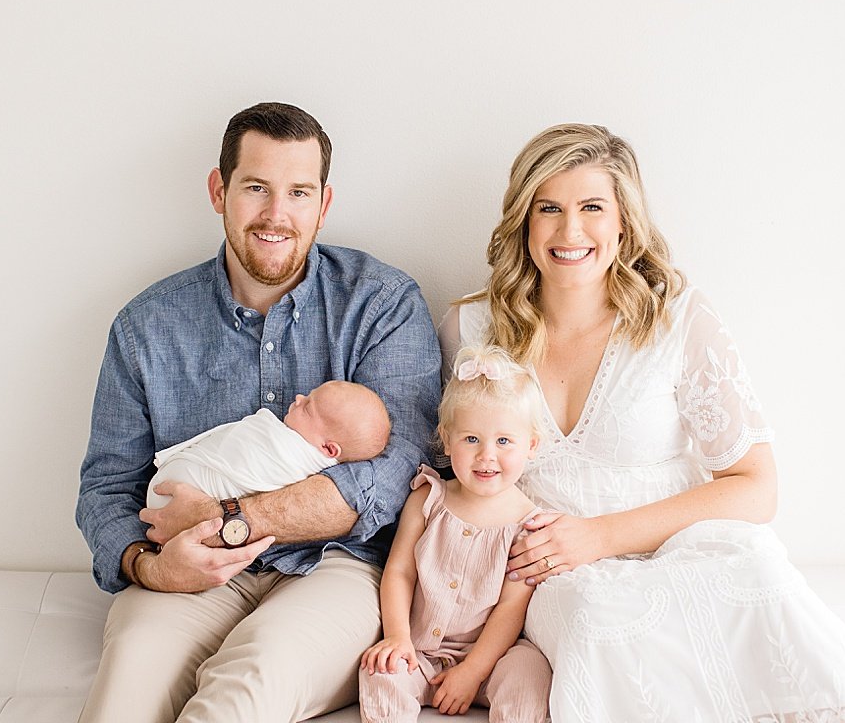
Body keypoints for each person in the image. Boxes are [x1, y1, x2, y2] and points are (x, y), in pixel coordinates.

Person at [440, 123, 845, 722]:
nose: (570, 231)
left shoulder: (678, 318)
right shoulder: (471, 331)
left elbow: (757, 486)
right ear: (524, 220)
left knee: (763, 588)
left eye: (592, 207)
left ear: (624, 221)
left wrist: (602, 535)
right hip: (558, 573)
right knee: (603, 622)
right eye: (549, 208)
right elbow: (447, 477)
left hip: (687, 540)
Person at [75, 102, 441, 723]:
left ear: (323, 203)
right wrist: (151, 567)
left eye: (298, 192)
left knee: (249, 686)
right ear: (220, 191)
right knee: (127, 686)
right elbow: (107, 486)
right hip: (188, 567)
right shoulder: (147, 326)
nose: (277, 215)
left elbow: (396, 472)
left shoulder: (382, 304)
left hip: (336, 567)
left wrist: (233, 518)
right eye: (256, 188)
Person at [358, 345, 551, 723]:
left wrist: (473, 672)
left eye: (504, 441)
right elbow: (400, 572)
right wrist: (397, 637)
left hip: (487, 662)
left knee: (531, 669)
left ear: (531, 445)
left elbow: (510, 610)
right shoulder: (428, 498)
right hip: (419, 655)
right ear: (447, 441)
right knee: (379, 669)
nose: (486, 456)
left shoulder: (528, 527)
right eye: (471, 439)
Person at [146, 380, 391, 510]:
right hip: (170, 499)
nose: (298, 398)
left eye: (307, 406)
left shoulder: (294, 458)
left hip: (179, 493)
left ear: (328, 449)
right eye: (308, 395)